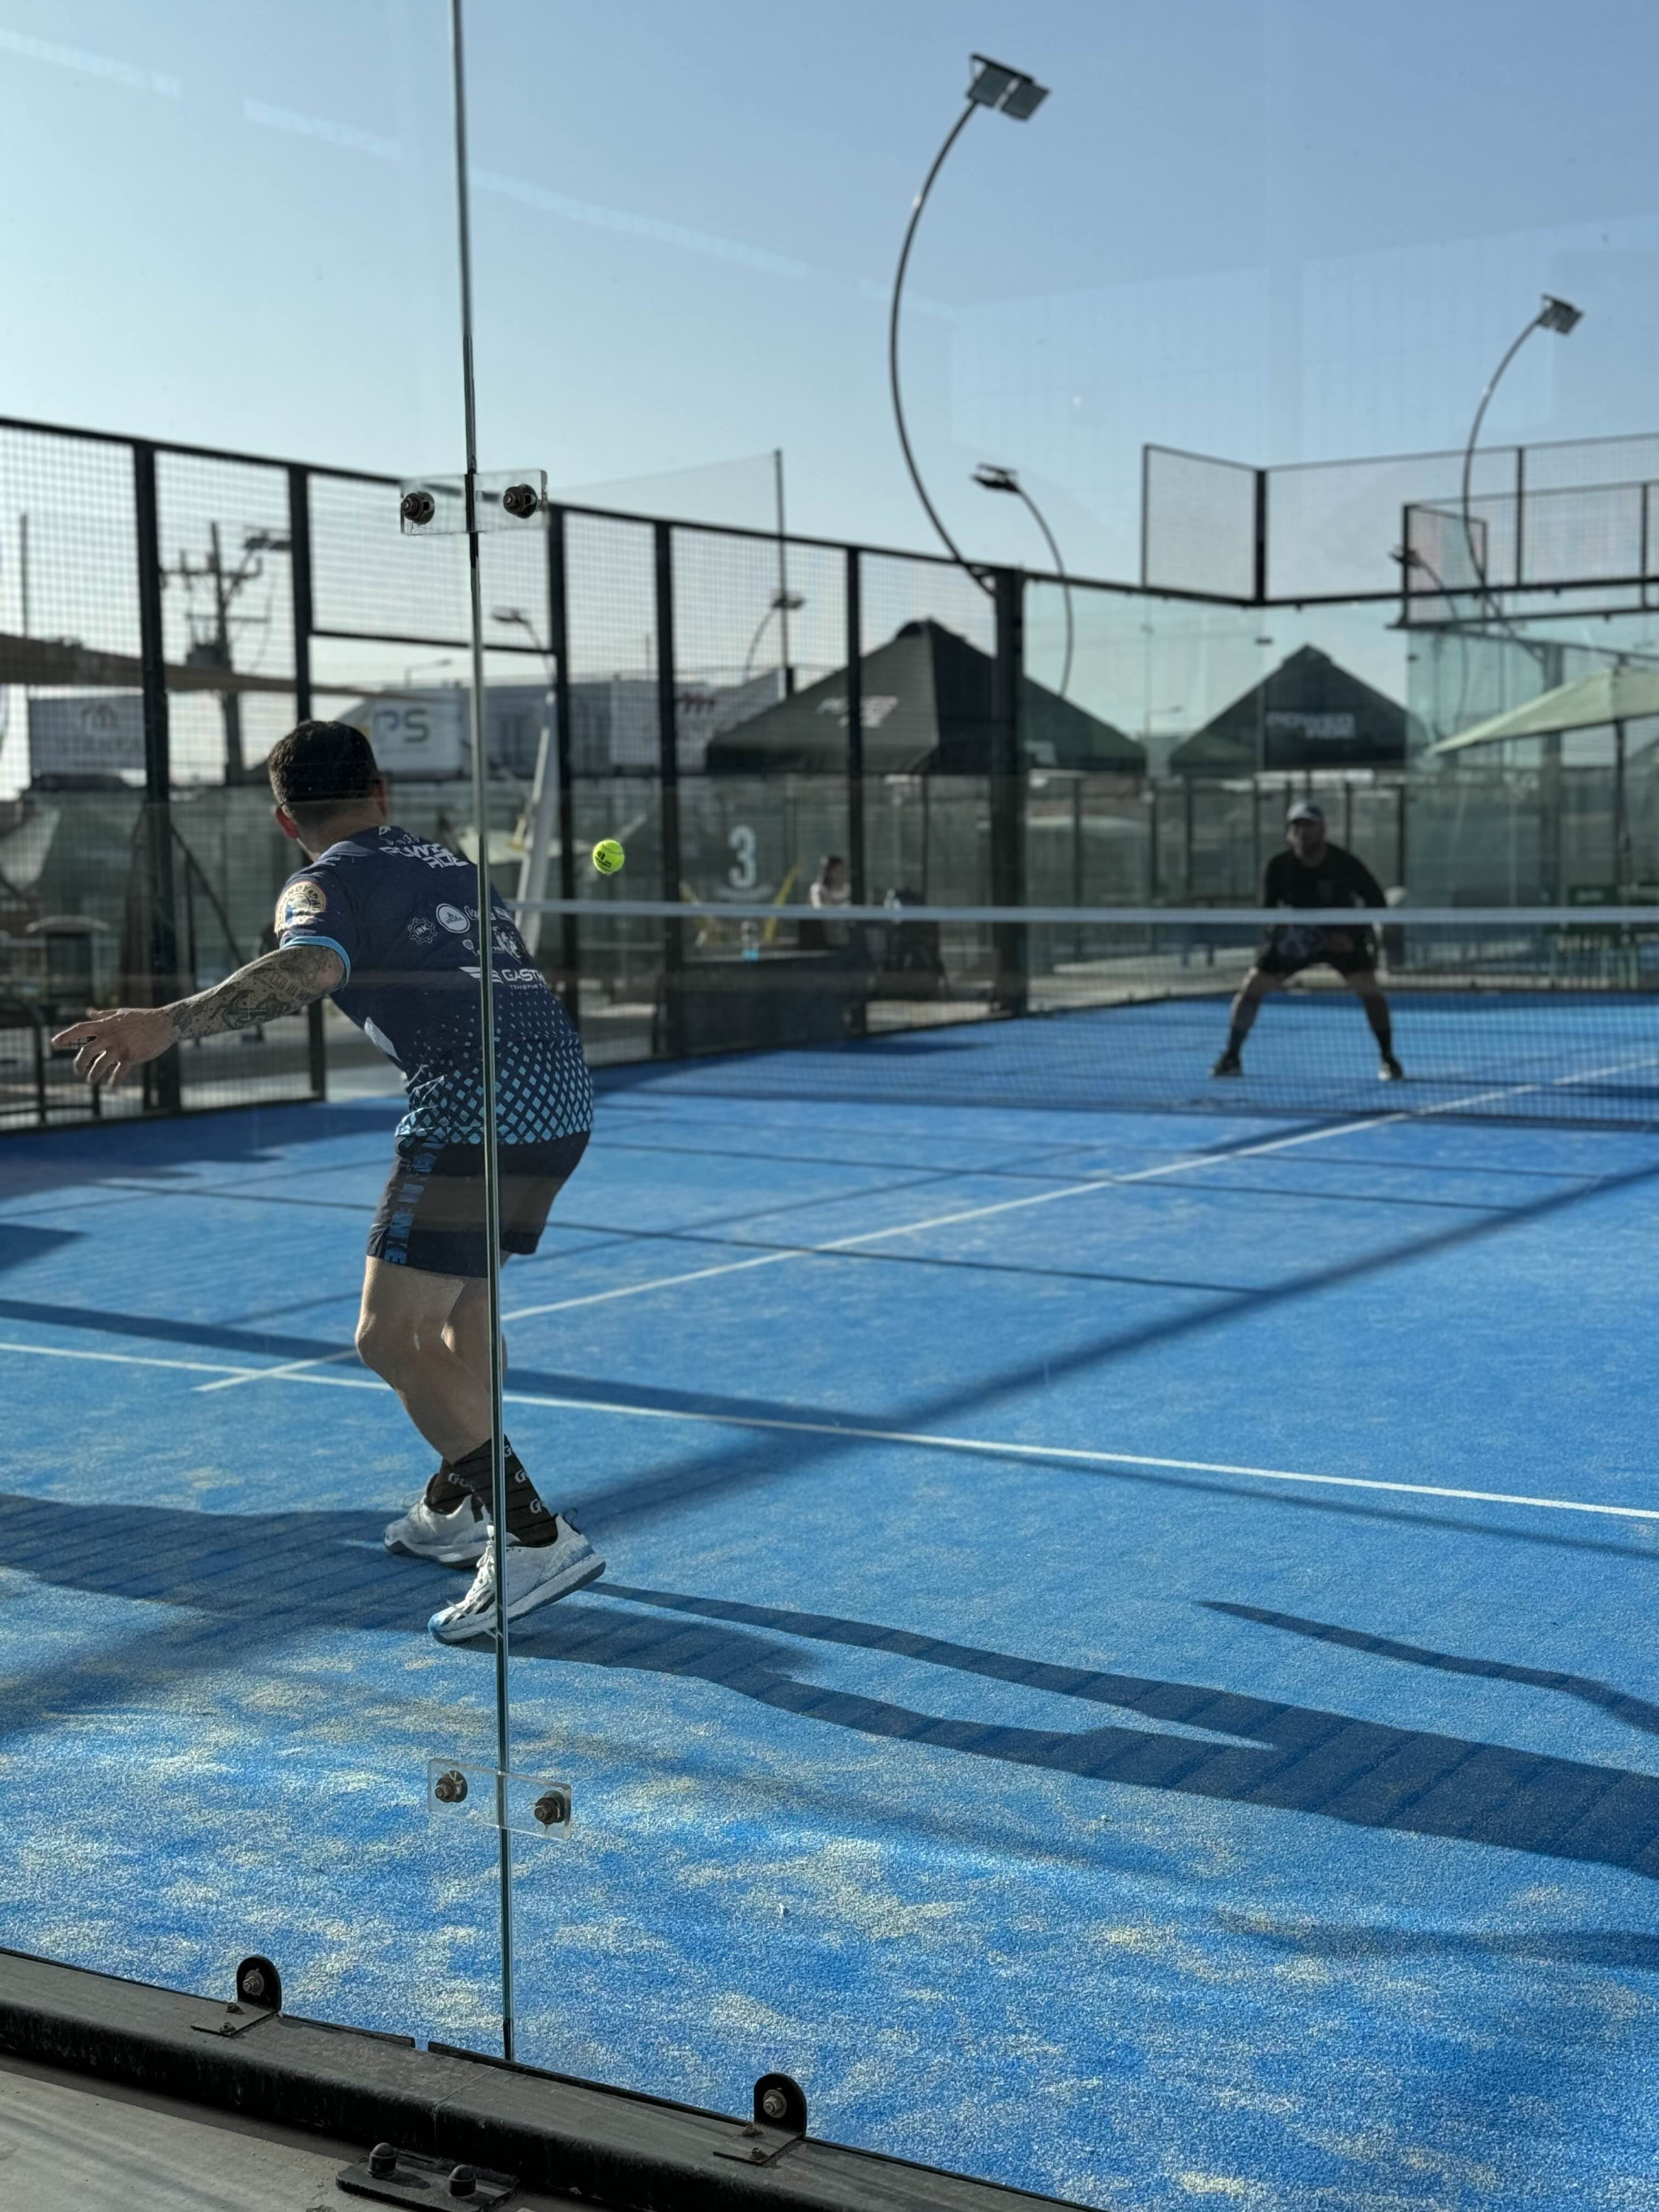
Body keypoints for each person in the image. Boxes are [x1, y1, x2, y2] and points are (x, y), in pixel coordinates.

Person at [52, 719, 604, 1643]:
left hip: (475, 1109)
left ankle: (531, 1535)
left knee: (389, 1336)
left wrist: (168, 1022)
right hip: (562, 1098)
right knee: (466, 1310)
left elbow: (310, 967)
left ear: (284, 819)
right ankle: (454, 1504)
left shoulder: (324, 883)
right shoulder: (451, 864)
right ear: (380, 791)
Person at [1211, 799, 1404, 1081]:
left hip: (1341, 941)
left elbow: (1376, 902)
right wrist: (1285, 935)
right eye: (1297, 827)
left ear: (1322, 830)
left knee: (1372, 994)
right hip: (1296, 944)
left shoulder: (1344, 863)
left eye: (1309, 826)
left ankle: (1388, 1058)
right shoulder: (1277, 866)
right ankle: (1231, 1056)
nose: (1302, 833)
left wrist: (1351, 935)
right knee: (1250, 989)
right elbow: (1267, 913)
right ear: (1289, 833)